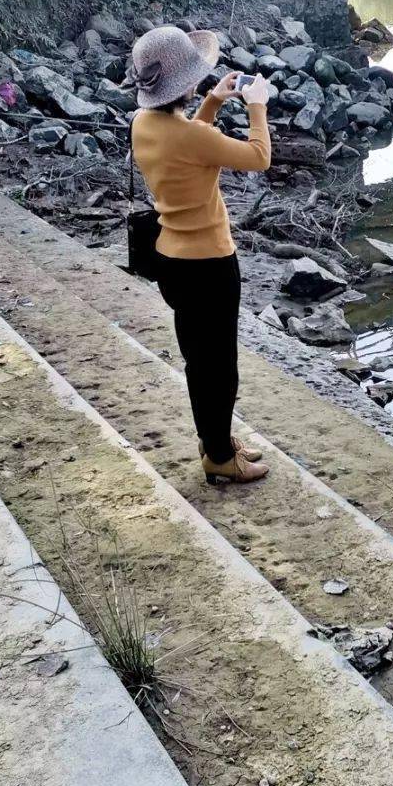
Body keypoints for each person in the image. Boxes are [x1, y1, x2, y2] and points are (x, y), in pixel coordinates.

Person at [126, 25, 272, 486]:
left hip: (170, 259)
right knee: (220, 367)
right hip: (210, 265)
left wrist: (211, 102)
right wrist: (257, 106)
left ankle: (217, 441)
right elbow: (258, 155)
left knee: (199, 360)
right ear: (183, 83)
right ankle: (219, 457)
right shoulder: (190, 137)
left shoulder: (143, 124)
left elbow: (187, 145)